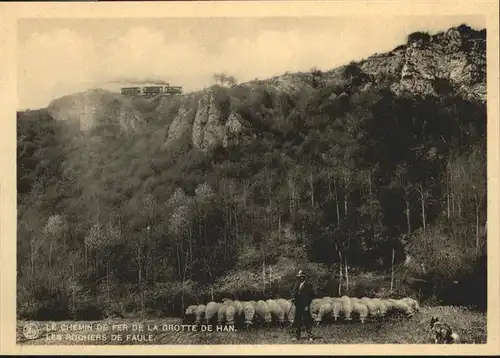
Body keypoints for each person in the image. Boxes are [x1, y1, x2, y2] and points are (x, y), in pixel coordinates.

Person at [291, 270, 315, 341]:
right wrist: (293, 298)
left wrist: (307, 305)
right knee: (297, 320)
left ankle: (310, 336)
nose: (299, 278)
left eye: (301, 277)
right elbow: (295, 293)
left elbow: (310, 297)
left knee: (307, 320)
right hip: (298, 306)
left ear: (303, 277)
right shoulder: (297, 285)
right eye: (298, 277)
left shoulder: (308, 286)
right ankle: (296, 336)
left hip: (305, 306)